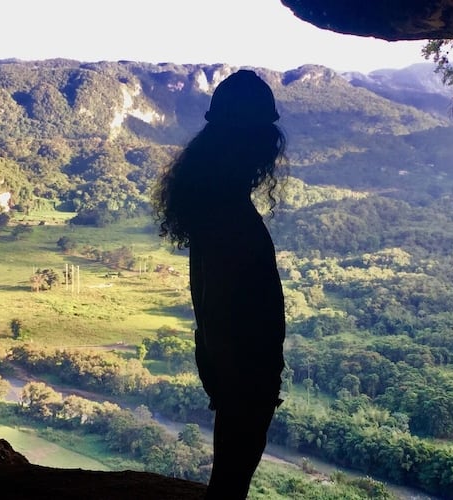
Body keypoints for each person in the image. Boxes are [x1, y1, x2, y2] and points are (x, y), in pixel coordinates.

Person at [151, 69, 287, 499]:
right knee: (232, 480)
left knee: (230, 474)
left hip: (229, 366)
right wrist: (246, 380)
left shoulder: (215, 208)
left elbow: (211, 299)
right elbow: (227, 302)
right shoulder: (232, 218)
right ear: (254, 145)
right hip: (244, 370)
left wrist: (220, 370)